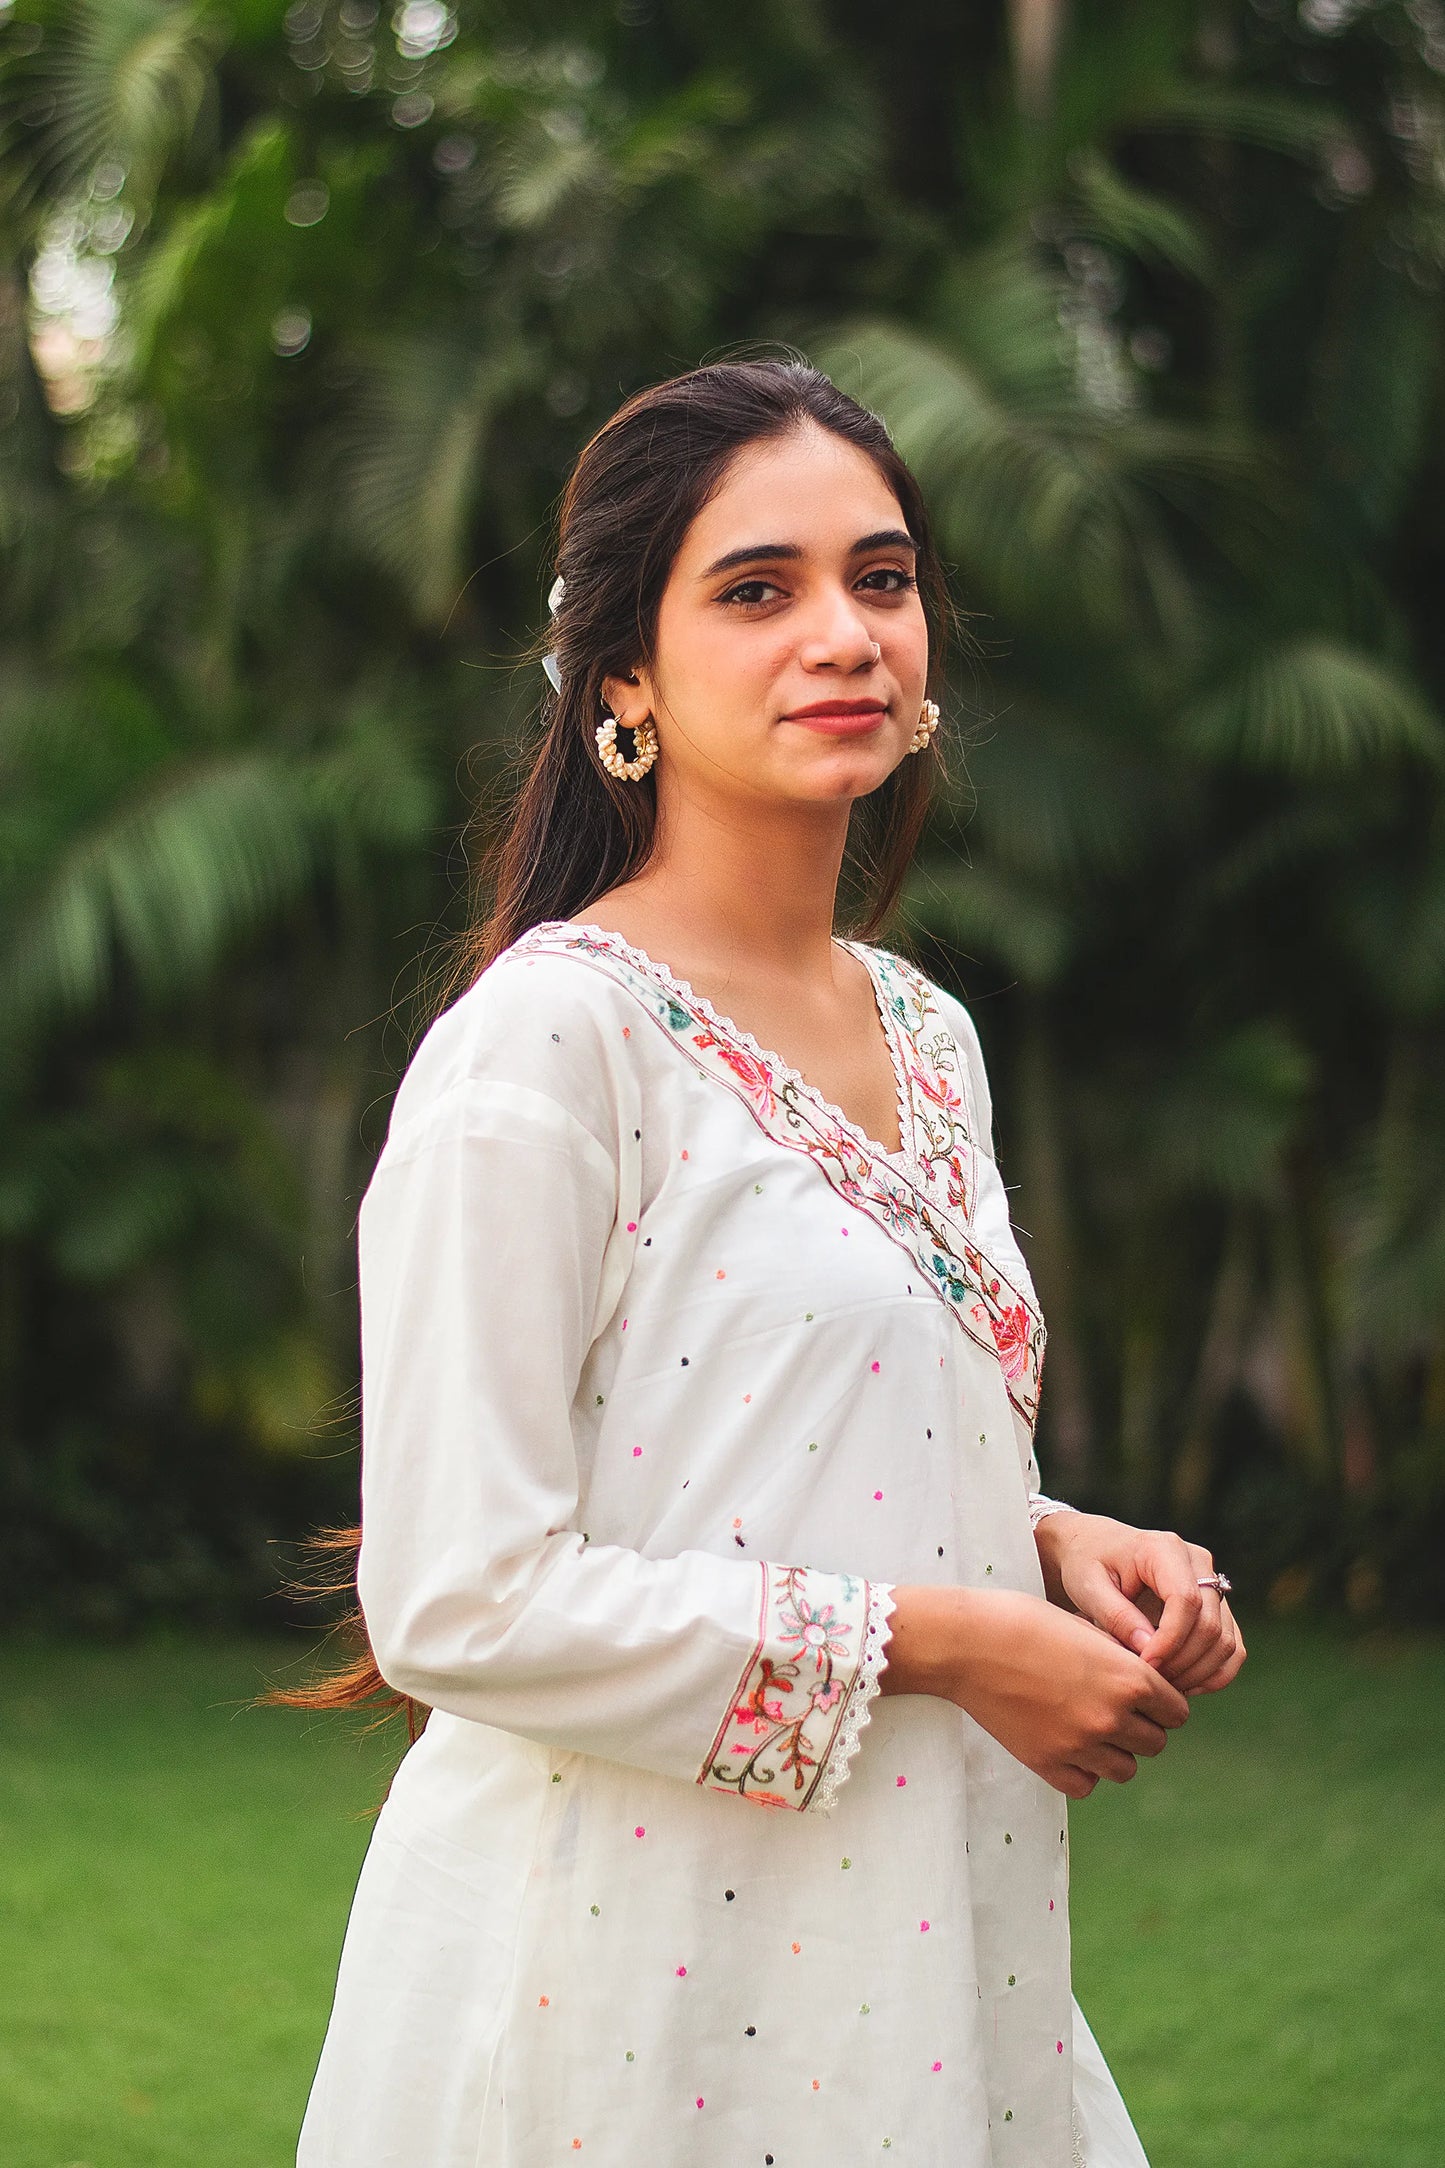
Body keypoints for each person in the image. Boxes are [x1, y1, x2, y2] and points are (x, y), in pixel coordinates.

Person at [292, 358, 1245, 2168]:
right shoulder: (545, 1052)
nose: (845, 634)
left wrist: (1051, 1545)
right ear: (624, 684)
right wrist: (956, 1639)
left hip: (917, 1950)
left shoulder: (924, 1031)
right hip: (614, 1992)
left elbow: (778, 1438)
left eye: (879, 579)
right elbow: (457, 1599)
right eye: (757, 589)